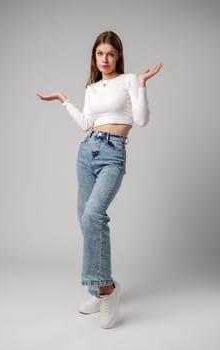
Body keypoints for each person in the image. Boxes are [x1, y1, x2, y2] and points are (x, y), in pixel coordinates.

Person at [36, 30, 162, 329]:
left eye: (110, 53)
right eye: (99, 54)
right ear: (94, 57)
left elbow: (141, 120)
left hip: (112, 152)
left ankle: (107, 291)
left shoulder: (129, 79)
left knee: (94, 215)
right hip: (87, 151)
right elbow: (86, 124)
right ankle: (98, 285)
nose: (104, 59)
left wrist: (142, 85)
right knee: (85, 218)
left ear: (118, 56)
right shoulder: (92, 88)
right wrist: (63, 100)